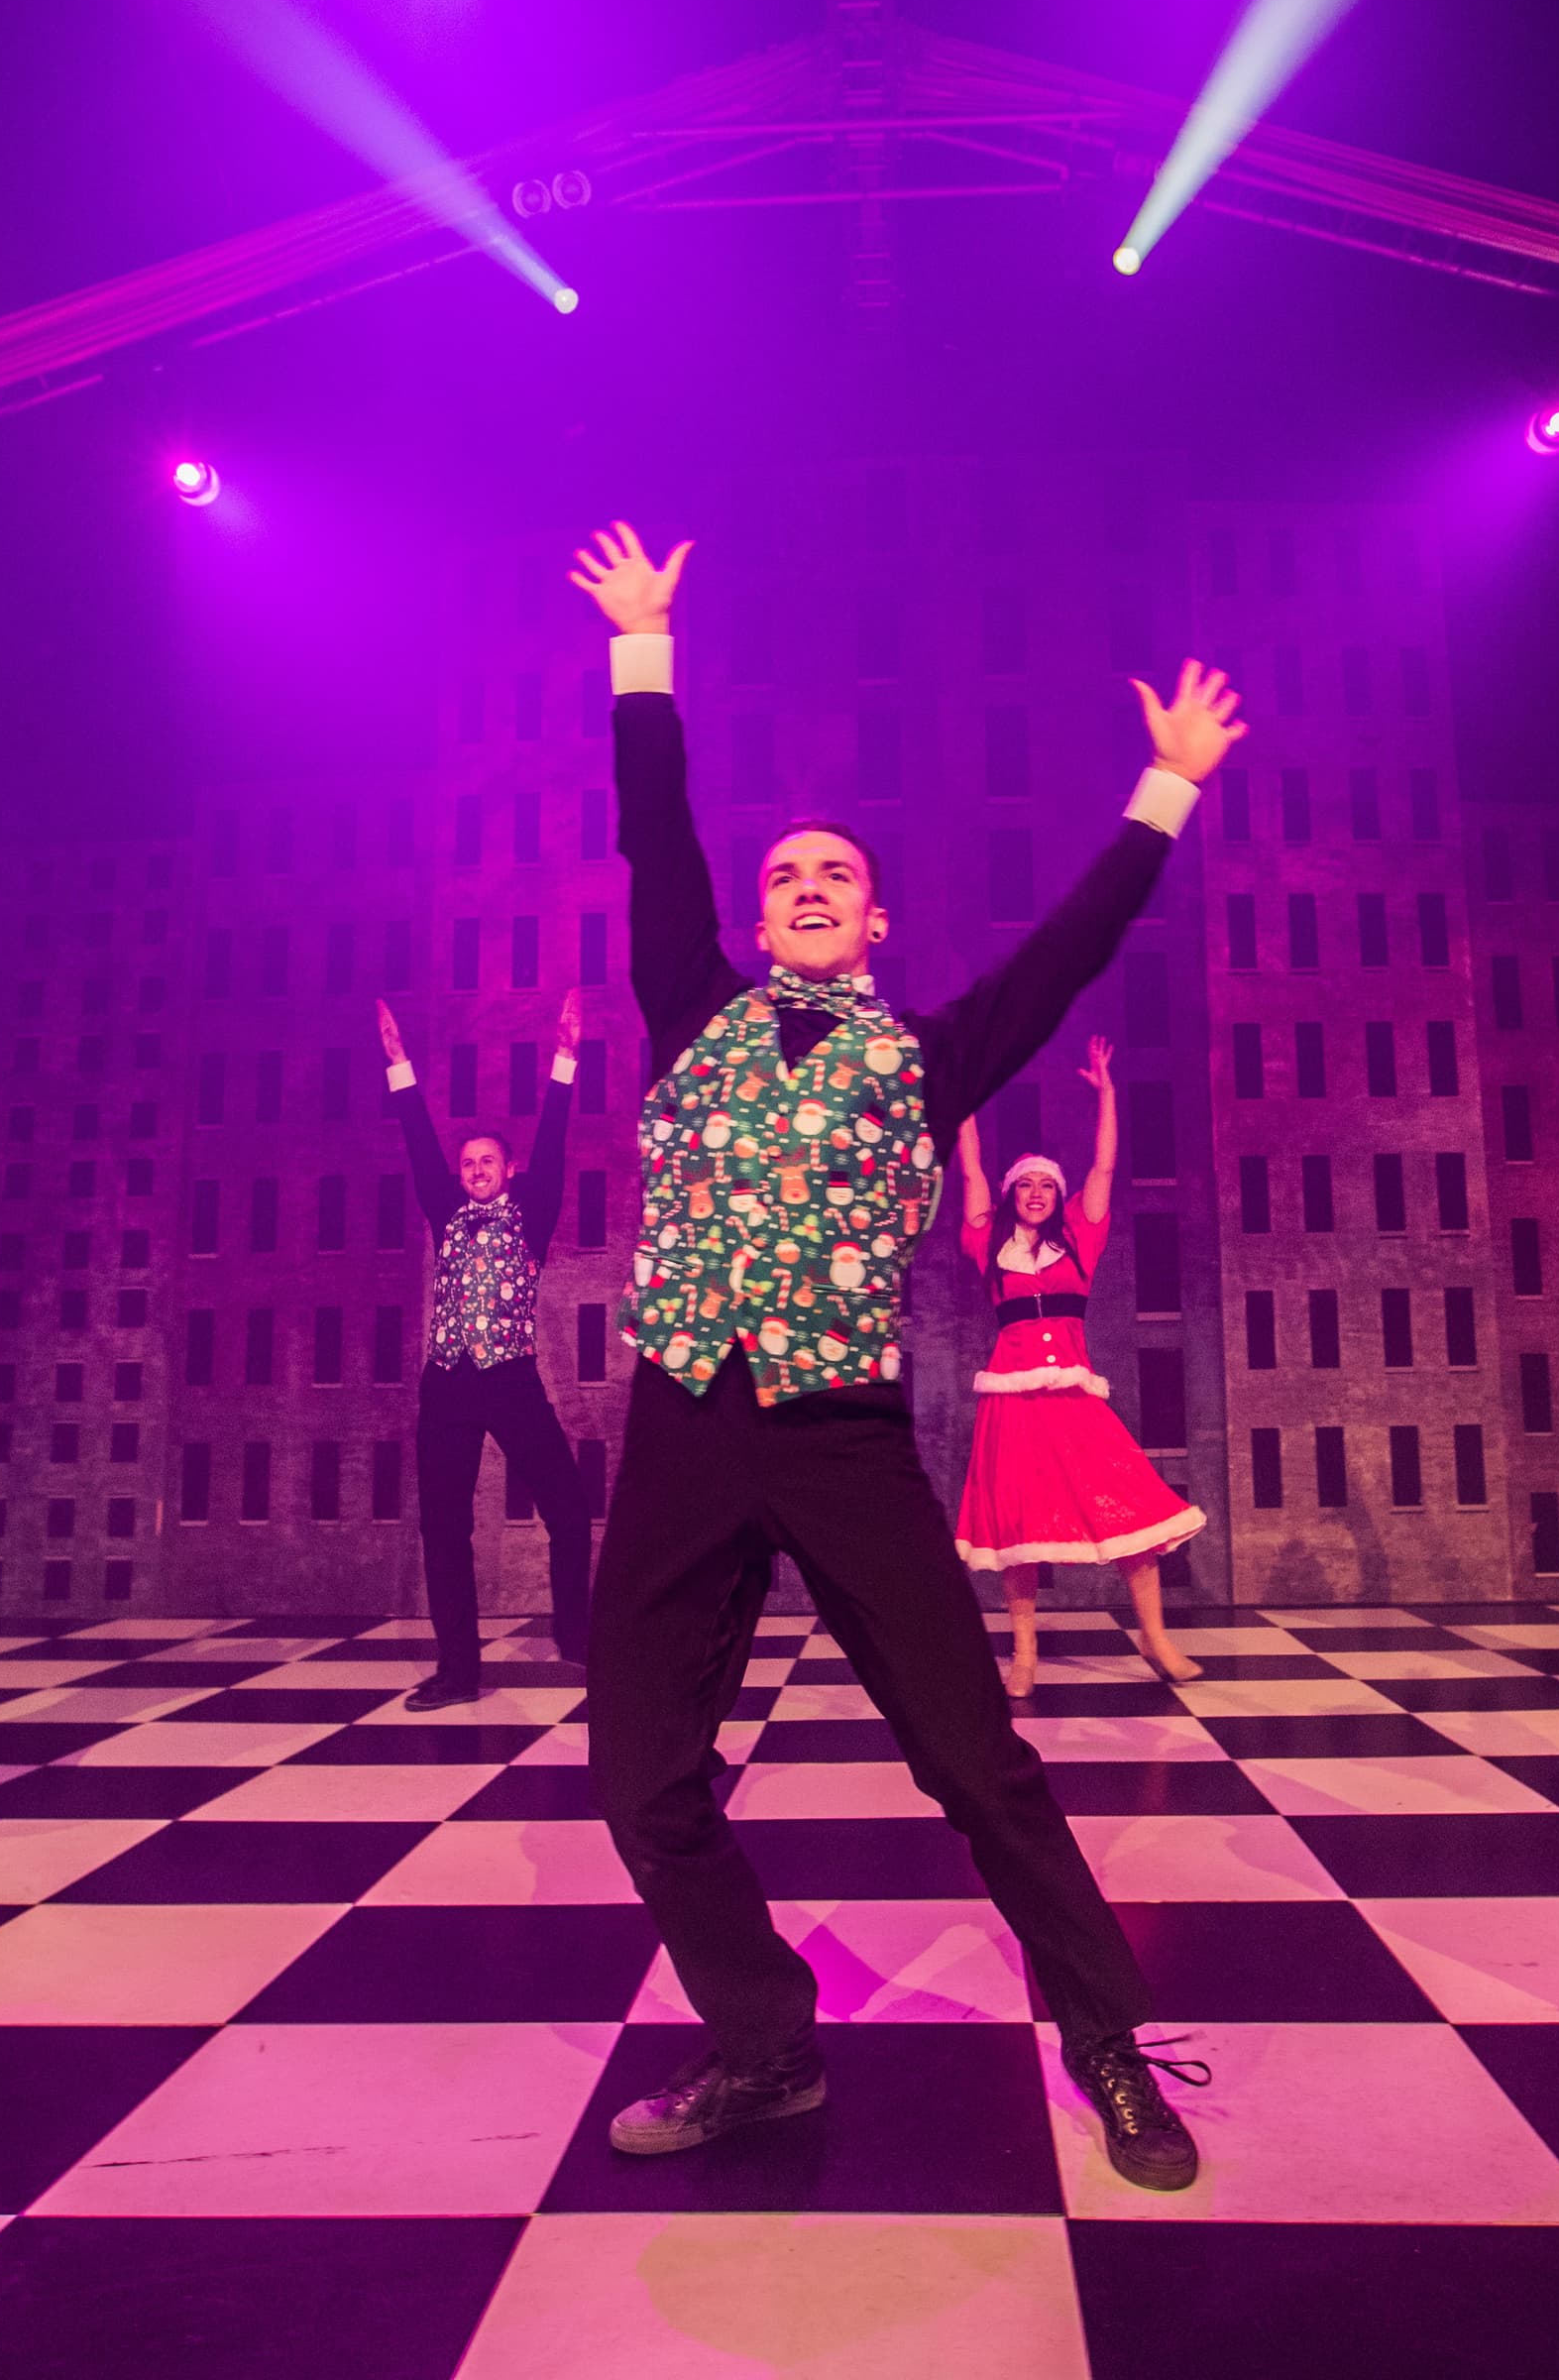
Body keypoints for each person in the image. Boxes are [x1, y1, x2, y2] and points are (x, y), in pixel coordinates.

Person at [570, 519, 1240, 2193]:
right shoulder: (691, 1013)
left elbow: (1068, 958)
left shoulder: (930, 1057)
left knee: (974, 1760)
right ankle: (764, 2044)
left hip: (843, 1438)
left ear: (874, 923)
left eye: (834, 877)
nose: (804, 887)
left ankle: (1108, 2041)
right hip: (682, 1421)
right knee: (639, 1773)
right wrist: (642, 653)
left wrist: (1163, 792)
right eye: (784, 873)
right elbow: (658, 843)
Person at [951, 1036, 1206, 1693]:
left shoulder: (1080, 1239)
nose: (1036, 1192)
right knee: (1017, 1525)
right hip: (1011, 1403)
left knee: (1131, 1505)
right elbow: (970, 1169)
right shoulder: (986, 1242)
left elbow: (1103, 1166)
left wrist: (1108, 1094)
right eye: (1026, 1184)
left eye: (1047, 1185)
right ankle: (1025, 1653)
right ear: (1011, 1194)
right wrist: (966, 1097)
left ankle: (1155, 1638)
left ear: (1058, 1196)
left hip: (1072, 1397)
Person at [381, 989, 595, 1711]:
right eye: (467, 1162)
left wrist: (566, 1057)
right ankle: (458, 1672)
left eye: (487, 1161)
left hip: (510, 1382)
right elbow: (418, 1140)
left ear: (509, 1169)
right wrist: (399, 1063)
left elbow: (555, 1137)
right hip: (447, 1387)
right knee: (443, 1528)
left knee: (567, 1510)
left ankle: (576, 1635)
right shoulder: (447, 1211)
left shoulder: (533, 1210)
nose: (474, 1170)